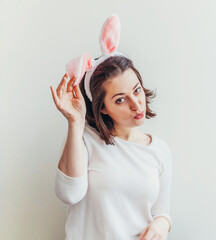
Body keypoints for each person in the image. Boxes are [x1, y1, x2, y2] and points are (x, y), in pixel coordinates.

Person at [50, 14, 173, 240]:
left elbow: (161, 213)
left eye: (136, 90)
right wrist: (75, 124)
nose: (136, 104)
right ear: (103, 108)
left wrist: (161, 226)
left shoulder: (160, 150)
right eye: (120, 99)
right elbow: (68, 193)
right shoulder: (84, 140)